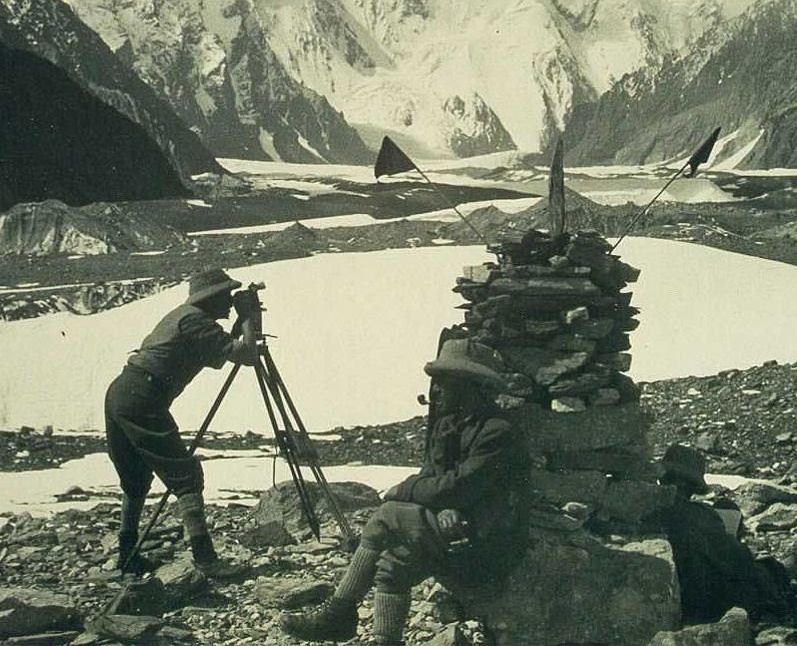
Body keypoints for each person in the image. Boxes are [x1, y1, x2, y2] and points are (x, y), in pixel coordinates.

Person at [280, 339, 531, 645]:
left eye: (444, 383)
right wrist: (443, 506)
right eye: (435, 382)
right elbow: (435, 478)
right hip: (458, 531)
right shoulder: (451, 424)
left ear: (471, 387)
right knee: (394, 562)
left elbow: (458, 487)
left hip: (489, 544)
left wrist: (406, 489)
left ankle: (338, 614)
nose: (435, 391)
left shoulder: (497, 431)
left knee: (388, 514)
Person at [104, 267, 256, 577]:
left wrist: (242, 320)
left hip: (123, 391)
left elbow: (222, 350)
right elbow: (247, 354)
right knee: (186, 475)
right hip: (142, 395)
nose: (229, 302)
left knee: (135, 478)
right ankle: (205, 558)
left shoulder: (187, 317)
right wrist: (250, 317)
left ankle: (127, 554)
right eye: (226, 295)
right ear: (210, 298)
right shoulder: (195, 321)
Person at [646, 445, 790, 625]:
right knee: (767, 572)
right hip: (699, 603)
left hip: (664, 595)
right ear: (688, 484)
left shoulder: (642, 508)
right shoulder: (696, 515)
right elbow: (737, 561)